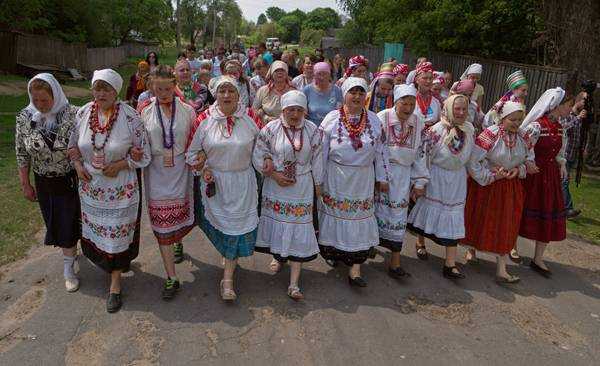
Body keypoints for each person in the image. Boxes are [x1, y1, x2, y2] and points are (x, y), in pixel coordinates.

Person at [69, 69, 151, 312]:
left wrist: (121, 164)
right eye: (97, 88)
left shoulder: (130, 117)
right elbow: (73, 146)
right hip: (91, 190)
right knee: (99, 232)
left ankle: (115, 284)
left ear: (116, 91)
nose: (101, 93)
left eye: (106, 89)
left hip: (120, 189)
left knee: (116, 235)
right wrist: (76, 165)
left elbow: (144, 154)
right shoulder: (83, 113)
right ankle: (109, 266)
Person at [186, 76, 260, 301]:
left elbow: (263, 147)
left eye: (231, 91)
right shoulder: (203, 119)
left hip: (242, 183)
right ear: (215, 94)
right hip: (216, 185)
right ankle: (229, 263)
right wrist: (203, 165)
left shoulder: (251, 118)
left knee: (236, 230)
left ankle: (227, 278)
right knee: (224, 229)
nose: (226, 95)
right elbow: (191, 153)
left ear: (239, 95)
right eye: (222, 91)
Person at [318, 77, 390, 287]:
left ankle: (355, 267)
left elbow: (382, 151)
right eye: (353, 92)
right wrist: (318, 180)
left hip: (362, 179)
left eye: (361, 93)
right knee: (337, 216)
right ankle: (335, 253)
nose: (357, 97)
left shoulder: (375, 121)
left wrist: (383, 178)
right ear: (345, 95)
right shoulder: (332, 119)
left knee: (358, 217)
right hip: (337, 177)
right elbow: (321, 152)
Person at [253, 90, 324, 300]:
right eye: (291, 110)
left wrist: (318, 184)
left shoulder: (312, 131)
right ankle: (279, 256)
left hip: (301, 185)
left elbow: (318, 158)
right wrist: (274, 174)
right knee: (279, 223)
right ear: (283, 110)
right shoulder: (270, 129)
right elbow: (258, 153)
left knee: (298, 226)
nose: (295, 114)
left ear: (305, 111)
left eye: (299, 110)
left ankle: (294, 283)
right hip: (276, 186)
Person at [16, 73, 81, 292]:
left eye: (45, 100)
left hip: (70, 179)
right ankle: (70, 257)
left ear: (56, 94)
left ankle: (68, 268)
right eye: (36, 100)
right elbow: (22, 153)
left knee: (69, 222)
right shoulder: (24, 117)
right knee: (55, 221)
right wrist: (25, 183)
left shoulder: (73, 114)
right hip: (43, 181)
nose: (41, 105)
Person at [138, 65, 196, 299]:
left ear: (175, 86)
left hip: (181, 170)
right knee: (162, 225)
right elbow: (138, 141)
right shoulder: (144, 111)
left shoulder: (187, 111)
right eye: (159, 88)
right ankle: (172, 277)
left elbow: (195, 139)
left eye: (167, 88)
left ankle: (178, 240)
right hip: (156, 172)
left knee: (179, 218)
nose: (163, 93)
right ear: (152, 86)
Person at [462, 101, 531, 283]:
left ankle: (502, 267)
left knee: (507, 223)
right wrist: (489, 176)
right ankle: (472, 249)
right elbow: (473, 161)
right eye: (512, 119)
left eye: (519, 120)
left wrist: (519, 169)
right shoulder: (490, 134)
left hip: (510, 186)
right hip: (488, 185)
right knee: (480, 217)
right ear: (502, 118)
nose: (516, 123)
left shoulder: (523, 137)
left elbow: (529, 161)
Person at [407, 94, 474, 279]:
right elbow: (424, 156)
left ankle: (450, 264)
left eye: (464, 109)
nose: (461, 112)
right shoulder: (437, 130)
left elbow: (471, 157)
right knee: (428, 210)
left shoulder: (469, 129)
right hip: (437, 177)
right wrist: (421, 182)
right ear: (448, 109)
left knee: (454, 215)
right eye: (457, 108)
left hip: (457, 180)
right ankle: (420, 242)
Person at [519, 88, 577, 278]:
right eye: (568, 106)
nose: (570, 109)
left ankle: (538, 258)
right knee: (522, 211)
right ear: (556, 106)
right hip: (534, 175)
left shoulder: (560, 127)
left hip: (550, 176)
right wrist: (529, 161)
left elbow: (560, 150)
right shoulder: (537, 126)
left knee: (549, 214)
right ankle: (510, 247)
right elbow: (525, 146)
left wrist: (561, 164)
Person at [375, 84, 428, 279]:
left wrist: (420, 181)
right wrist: (381, 176)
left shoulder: (418, 121)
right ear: (396, 102)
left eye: (411, 104)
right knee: (375, 212)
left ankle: (395, 262)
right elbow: (377, 149)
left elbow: (421, 153)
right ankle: (369, 249)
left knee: (398, 216)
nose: (407, 108)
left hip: (404, 176)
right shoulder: (382, 117)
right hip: (383, 171)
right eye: (404, 103)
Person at [562, 93, 587, 218]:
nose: (586, 103)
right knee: (564, 181)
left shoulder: (580, 117)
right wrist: (578, 119)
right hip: (564, 154)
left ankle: (557, 207)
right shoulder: (568, 115)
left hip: (573, 155)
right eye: (585, 100)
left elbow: (580, 136)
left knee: (562, 181)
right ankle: (568, 209)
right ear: (578, 100)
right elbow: (564, 129)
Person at [303, 62, 343, 126]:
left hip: (331, 127)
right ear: (314, 75)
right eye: (318, 74)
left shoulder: (337, 90)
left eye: (325, 74)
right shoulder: (307, 90)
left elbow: (340, 112)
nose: (322, 77)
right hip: (312, 128)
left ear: (329, 75)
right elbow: (303, 113)